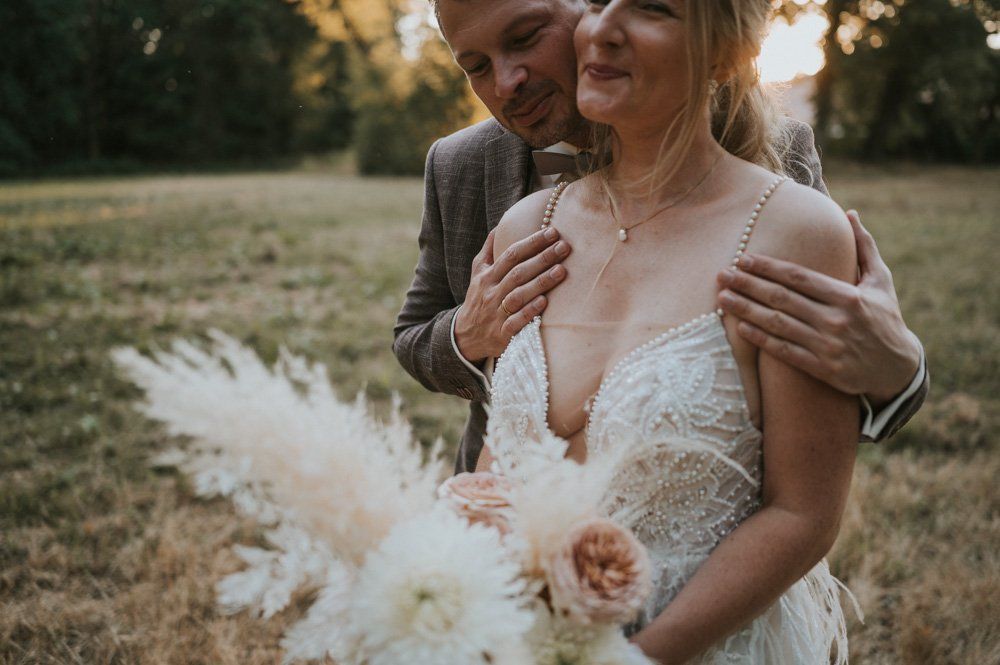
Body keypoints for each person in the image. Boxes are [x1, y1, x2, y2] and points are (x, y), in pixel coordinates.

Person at [393, 0, 928, 477]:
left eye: (526, 37)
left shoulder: (777, 154)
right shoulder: (460, 164)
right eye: (476, 66)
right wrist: (468, 335)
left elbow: (824, 377)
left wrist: (897, 374)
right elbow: (412, 336)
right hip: (504, 512)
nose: (506, 82)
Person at [476, 0, 863, 660]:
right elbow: (498, 464)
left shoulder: (794, 233)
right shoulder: (527, 228)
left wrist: (639, 656)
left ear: (726, 52)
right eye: (597, 2)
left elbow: (802, 513)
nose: (603, 30)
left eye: (651, 7)